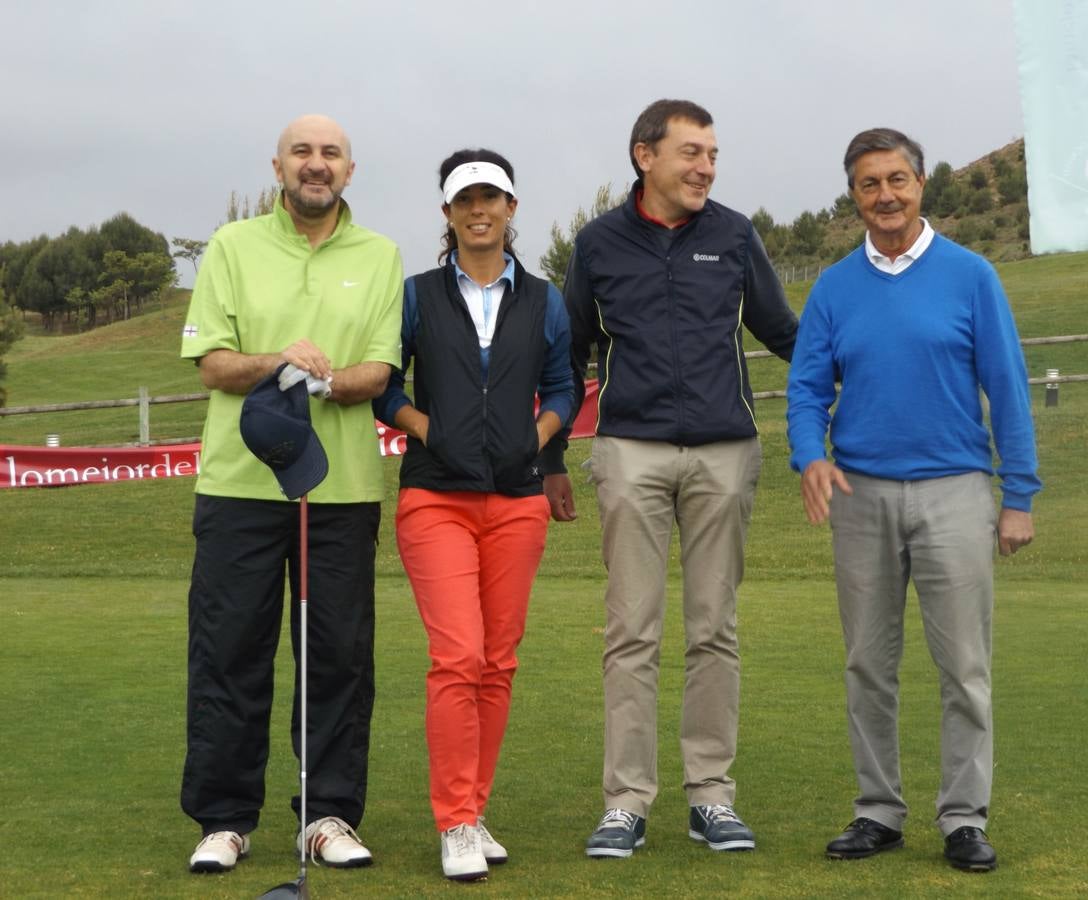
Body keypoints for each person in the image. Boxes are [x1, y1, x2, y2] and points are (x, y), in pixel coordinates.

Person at [786, 127, 1040, 872]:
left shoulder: (971, 276)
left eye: (897, 179)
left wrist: (1018, 494)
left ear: (920, 185)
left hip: (956, 492)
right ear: (854, 195)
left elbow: (1008, 389)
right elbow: (805, 391)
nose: (886, 196)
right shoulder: (833, 287)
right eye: (870, 184)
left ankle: (963, 818)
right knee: (868, 663)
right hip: (859, 495)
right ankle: (878, 812)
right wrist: (810, 457)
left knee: (963, 665)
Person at [557, 98, 798, 859]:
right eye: (692, 153)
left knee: (713, 630)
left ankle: (711, 797)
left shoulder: (733, 234)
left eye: (713, 155)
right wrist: (547, 458)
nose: (705, 168)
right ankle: (626, 802)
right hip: (629, 451)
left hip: (726, 452)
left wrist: (863, 372)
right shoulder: (597, 244)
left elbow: (783, 331)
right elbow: (570, 355)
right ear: (645, 156)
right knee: (631, 632)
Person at [179, 114, 403, 874]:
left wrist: (320, 378)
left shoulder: (380, 256)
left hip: (340, 490)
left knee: (338, 656)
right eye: (302, 152)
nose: (316, 164)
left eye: (330, 153)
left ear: (350, 169)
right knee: (230, 650)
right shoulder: (232, 247)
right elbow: (212, 363)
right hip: (239, 487)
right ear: (278, 166)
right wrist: (284, 359)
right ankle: (224, 818)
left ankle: (328, 814)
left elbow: (377, 372)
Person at [372, 149, 574, 882]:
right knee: (458, 656)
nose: (480, 210)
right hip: (436, 496)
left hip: (517, 501)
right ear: (448, 214)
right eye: (466, 200)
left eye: (492, 198)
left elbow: (563, 386)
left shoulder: (545, 299)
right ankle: (454, 820)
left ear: (512, 209)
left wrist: (540, 437)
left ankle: (474, 809)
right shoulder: (418, 295)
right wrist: (426, 429)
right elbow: (384, 385)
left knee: (498, 662)